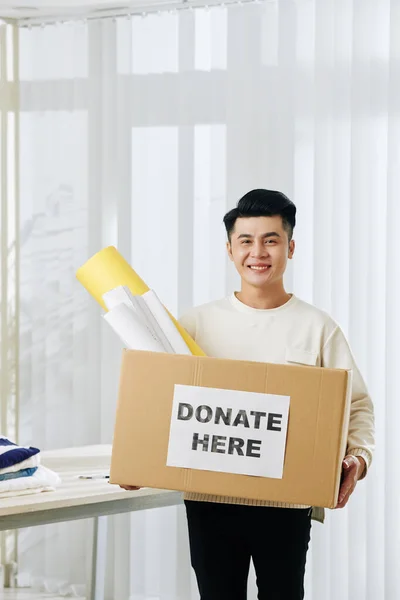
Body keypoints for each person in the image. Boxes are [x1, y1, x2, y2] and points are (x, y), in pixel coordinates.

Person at [121, 189, 375, 600]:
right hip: (210, 502)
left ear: (290, 247)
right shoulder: (196, 323)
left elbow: (357, 404)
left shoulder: (317, 326)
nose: (258, 252)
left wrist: (358, 458)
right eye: (246, 240)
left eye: (271, 240)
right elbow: (162, 400)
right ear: (229, 249)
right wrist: (139, 458)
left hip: (285, 506)